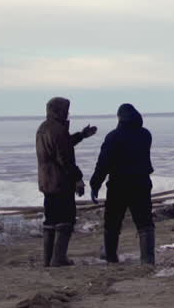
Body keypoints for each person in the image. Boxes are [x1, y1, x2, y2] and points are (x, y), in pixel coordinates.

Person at [90, 103, 155, 265]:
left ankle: (111, 256)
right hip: (141, 183)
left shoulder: (113, 137)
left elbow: (103, 163)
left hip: (118, 184)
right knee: (145, 222)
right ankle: (147, 258)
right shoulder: (145, 135)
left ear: (120, 118)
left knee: (112, 221)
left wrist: (95, 184)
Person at [36, 96, 98, 267]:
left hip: (47, 182)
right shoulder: (58, 129)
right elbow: (65, 158)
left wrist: (81, 135)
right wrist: (77, 178)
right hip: (61, 182)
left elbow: (64, 145)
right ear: (59, 111)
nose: (68, 113)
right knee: (66, 219)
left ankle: (47, 259)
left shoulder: (43, 128)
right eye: (66, 110)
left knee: (50, 220)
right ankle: (59, 258)